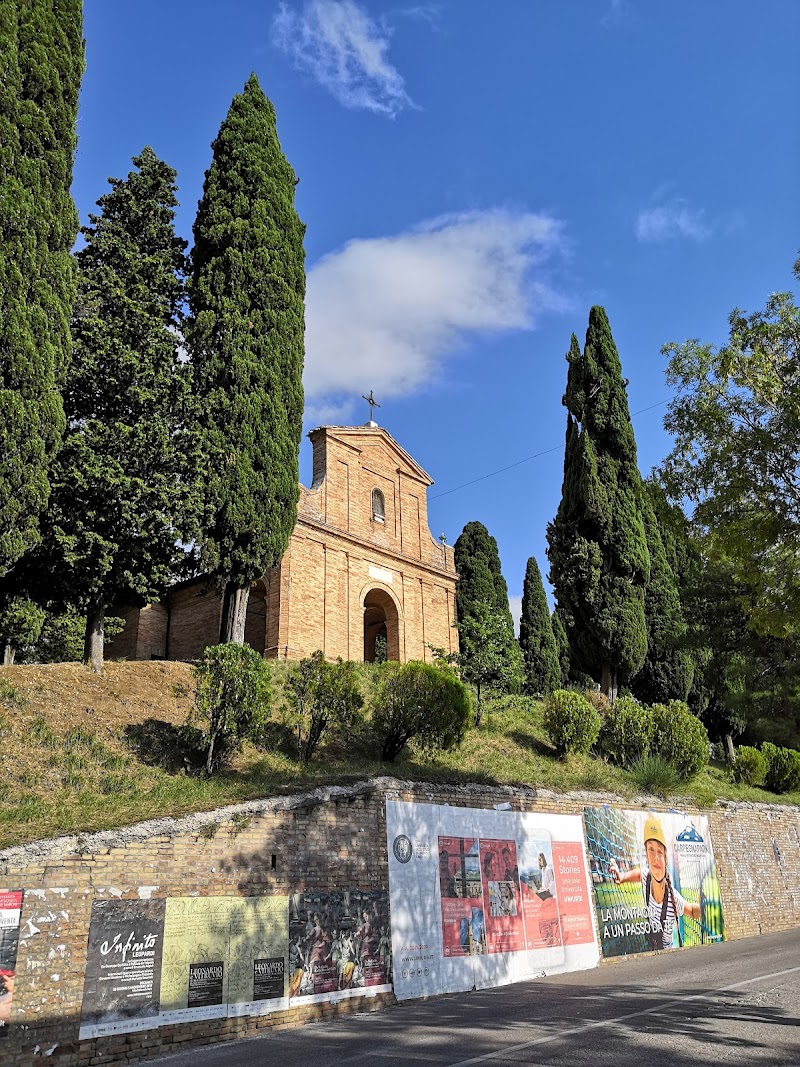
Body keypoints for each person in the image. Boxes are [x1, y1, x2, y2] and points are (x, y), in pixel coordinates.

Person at [609, 813, 701, 950]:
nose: (655, 857)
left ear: (666, 859)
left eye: (659, 851)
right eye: (651, 849)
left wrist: (703, 907)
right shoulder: (646, 876)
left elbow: (693, 911)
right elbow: (639, 874)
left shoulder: (673, 899)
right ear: (646, 855)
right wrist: (622, 877)